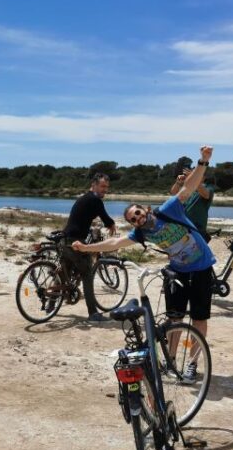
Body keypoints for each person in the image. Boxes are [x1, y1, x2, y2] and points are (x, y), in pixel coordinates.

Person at [73, 146, 216, 382]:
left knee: (199, 319)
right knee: (175, 319)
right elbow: (114, 243)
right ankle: (170, 361)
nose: (138, 218)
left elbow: (188, 187)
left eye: (138, 213)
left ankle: (191, 364)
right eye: (133, 219)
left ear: (146, 209)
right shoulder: (141, 234)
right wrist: (87, 248)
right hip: (178, 272)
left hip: (201, 268)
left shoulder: (168, 210)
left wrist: (203, 161)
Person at [61, 173, 117, 322]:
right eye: (102, 186)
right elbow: (105, 217)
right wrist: (111, 224)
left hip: (64, 239)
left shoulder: (84, 198)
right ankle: (93, 313)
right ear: (94, 185)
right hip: (76, 242)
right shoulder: (95, 200)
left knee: (63, 271)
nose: (105, 189)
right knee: (87, 274)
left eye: (106, 187)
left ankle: (51, 304)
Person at [170, 167, 215, 241]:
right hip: (184, 226)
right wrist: (178, 182)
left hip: (197, 228)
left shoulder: (208, 188)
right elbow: (174, 194)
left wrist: (194, 179)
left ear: (204, 177)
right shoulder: (190, 188)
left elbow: (206, 195)